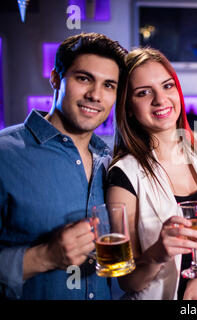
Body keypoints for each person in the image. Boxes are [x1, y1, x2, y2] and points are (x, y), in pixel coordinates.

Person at [106, 48, 197, 300]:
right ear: (127, 107)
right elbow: (128, 282)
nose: (160, 100)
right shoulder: (122, 175)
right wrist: (156, 254)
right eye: (143, 92)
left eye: (167, 86)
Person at [0, 33, 127, 299]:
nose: (95, 95)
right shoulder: (5, 153)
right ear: (56, 78)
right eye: (84, 79)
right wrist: (43, 257)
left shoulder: (110, 162)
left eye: (109, 86)